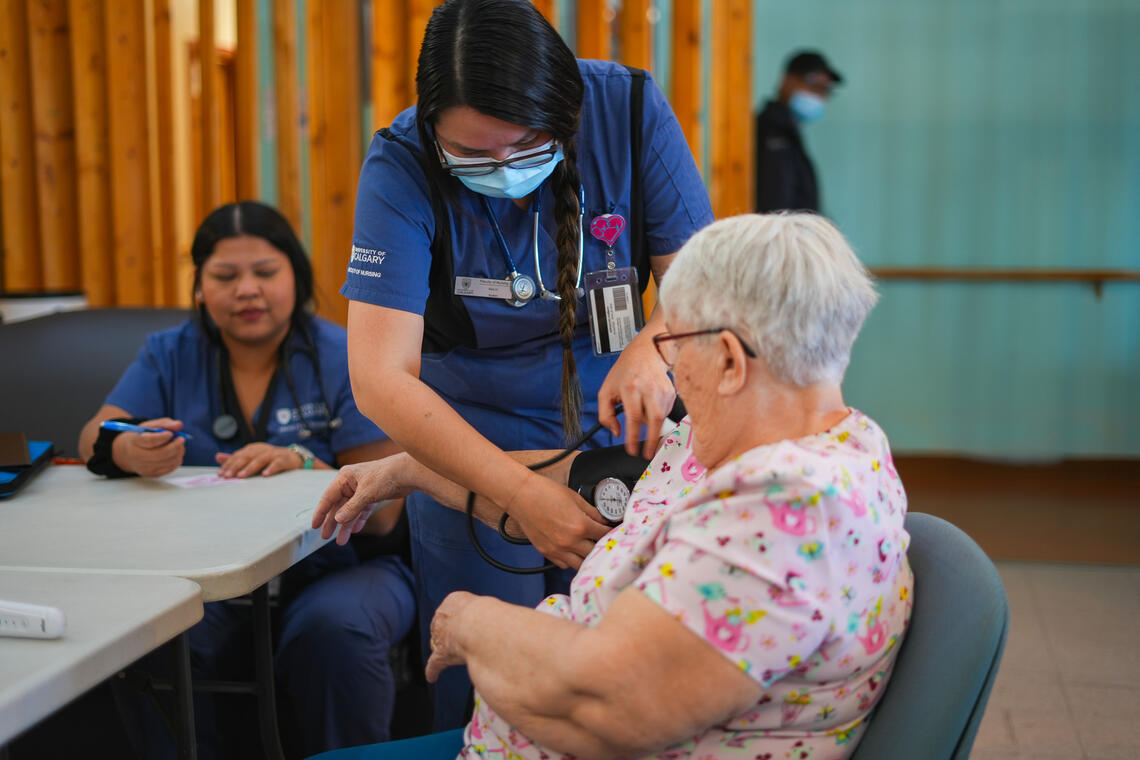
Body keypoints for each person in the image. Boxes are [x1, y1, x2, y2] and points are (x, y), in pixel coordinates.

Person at [313, 213, 914, 759]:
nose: (671, 373)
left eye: (673, 347)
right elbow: (578, 479)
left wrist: (469, 623)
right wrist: (410, 470)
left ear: (730, 362)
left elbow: (608, 710)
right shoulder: (754, 443)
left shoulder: (789, 505)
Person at [343, 0, 713, 728]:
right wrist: (510, 489)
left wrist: (651, 343)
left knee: (625, 675)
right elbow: (379, 378)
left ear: (566, 111)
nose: (506, 170)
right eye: (473, 156)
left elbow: (707, 281)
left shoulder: (628, 109)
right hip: (471, 445)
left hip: (622, 425)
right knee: (487, 687)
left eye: (526, 146)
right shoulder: (401, 162)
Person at [78, 201, 415, 758]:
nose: (247, 291)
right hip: (206, 578)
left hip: (345, 569)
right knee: (149, 635)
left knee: (333, 631)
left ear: (296, 277)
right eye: (225, 276)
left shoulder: (346, 354)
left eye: (265, 272)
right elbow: (95, 435)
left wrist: (307, 466)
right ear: (199, 289)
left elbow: (384, 515)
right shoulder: (170, 354)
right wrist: (125, 448)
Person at [755, 50, 843, 213]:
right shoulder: (768, 131)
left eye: (825, 90)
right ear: (786, 80)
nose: (819, 95)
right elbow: (775, 204)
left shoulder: (789, 132)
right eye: (814, 85)